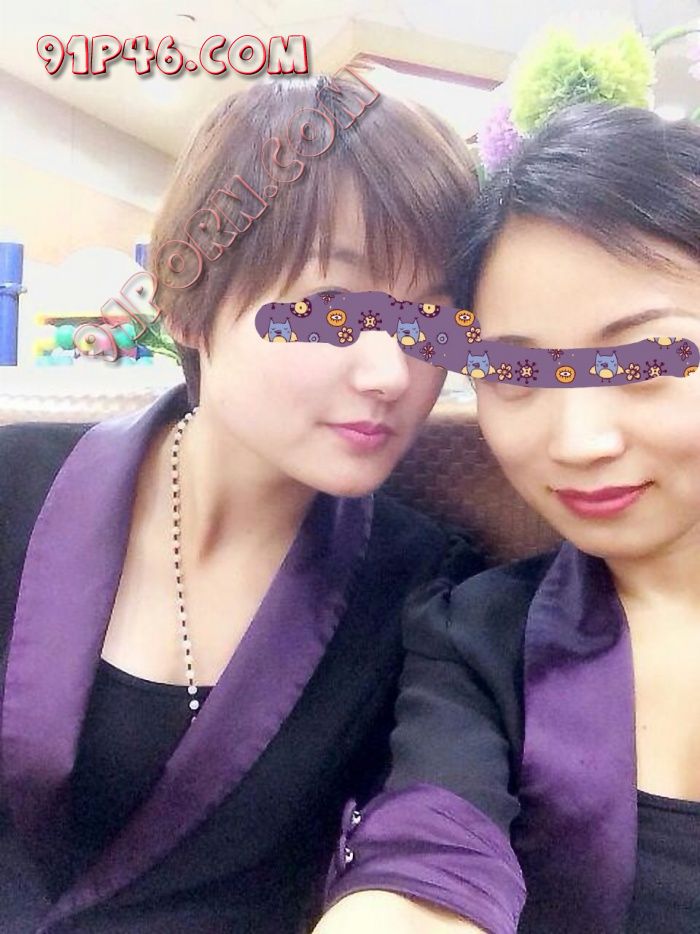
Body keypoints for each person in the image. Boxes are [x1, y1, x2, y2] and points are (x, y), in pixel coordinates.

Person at [0, 75, 486, 933]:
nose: (391, 372)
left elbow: (430, 828)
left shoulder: (424, 586)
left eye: (432, 320)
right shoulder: (17, 484)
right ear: (187, 305)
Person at [316, 103, 700, 933]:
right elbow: (428, 855)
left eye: (643, 362)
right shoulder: (478, 638)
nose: (580, 441)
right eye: (517, 375)